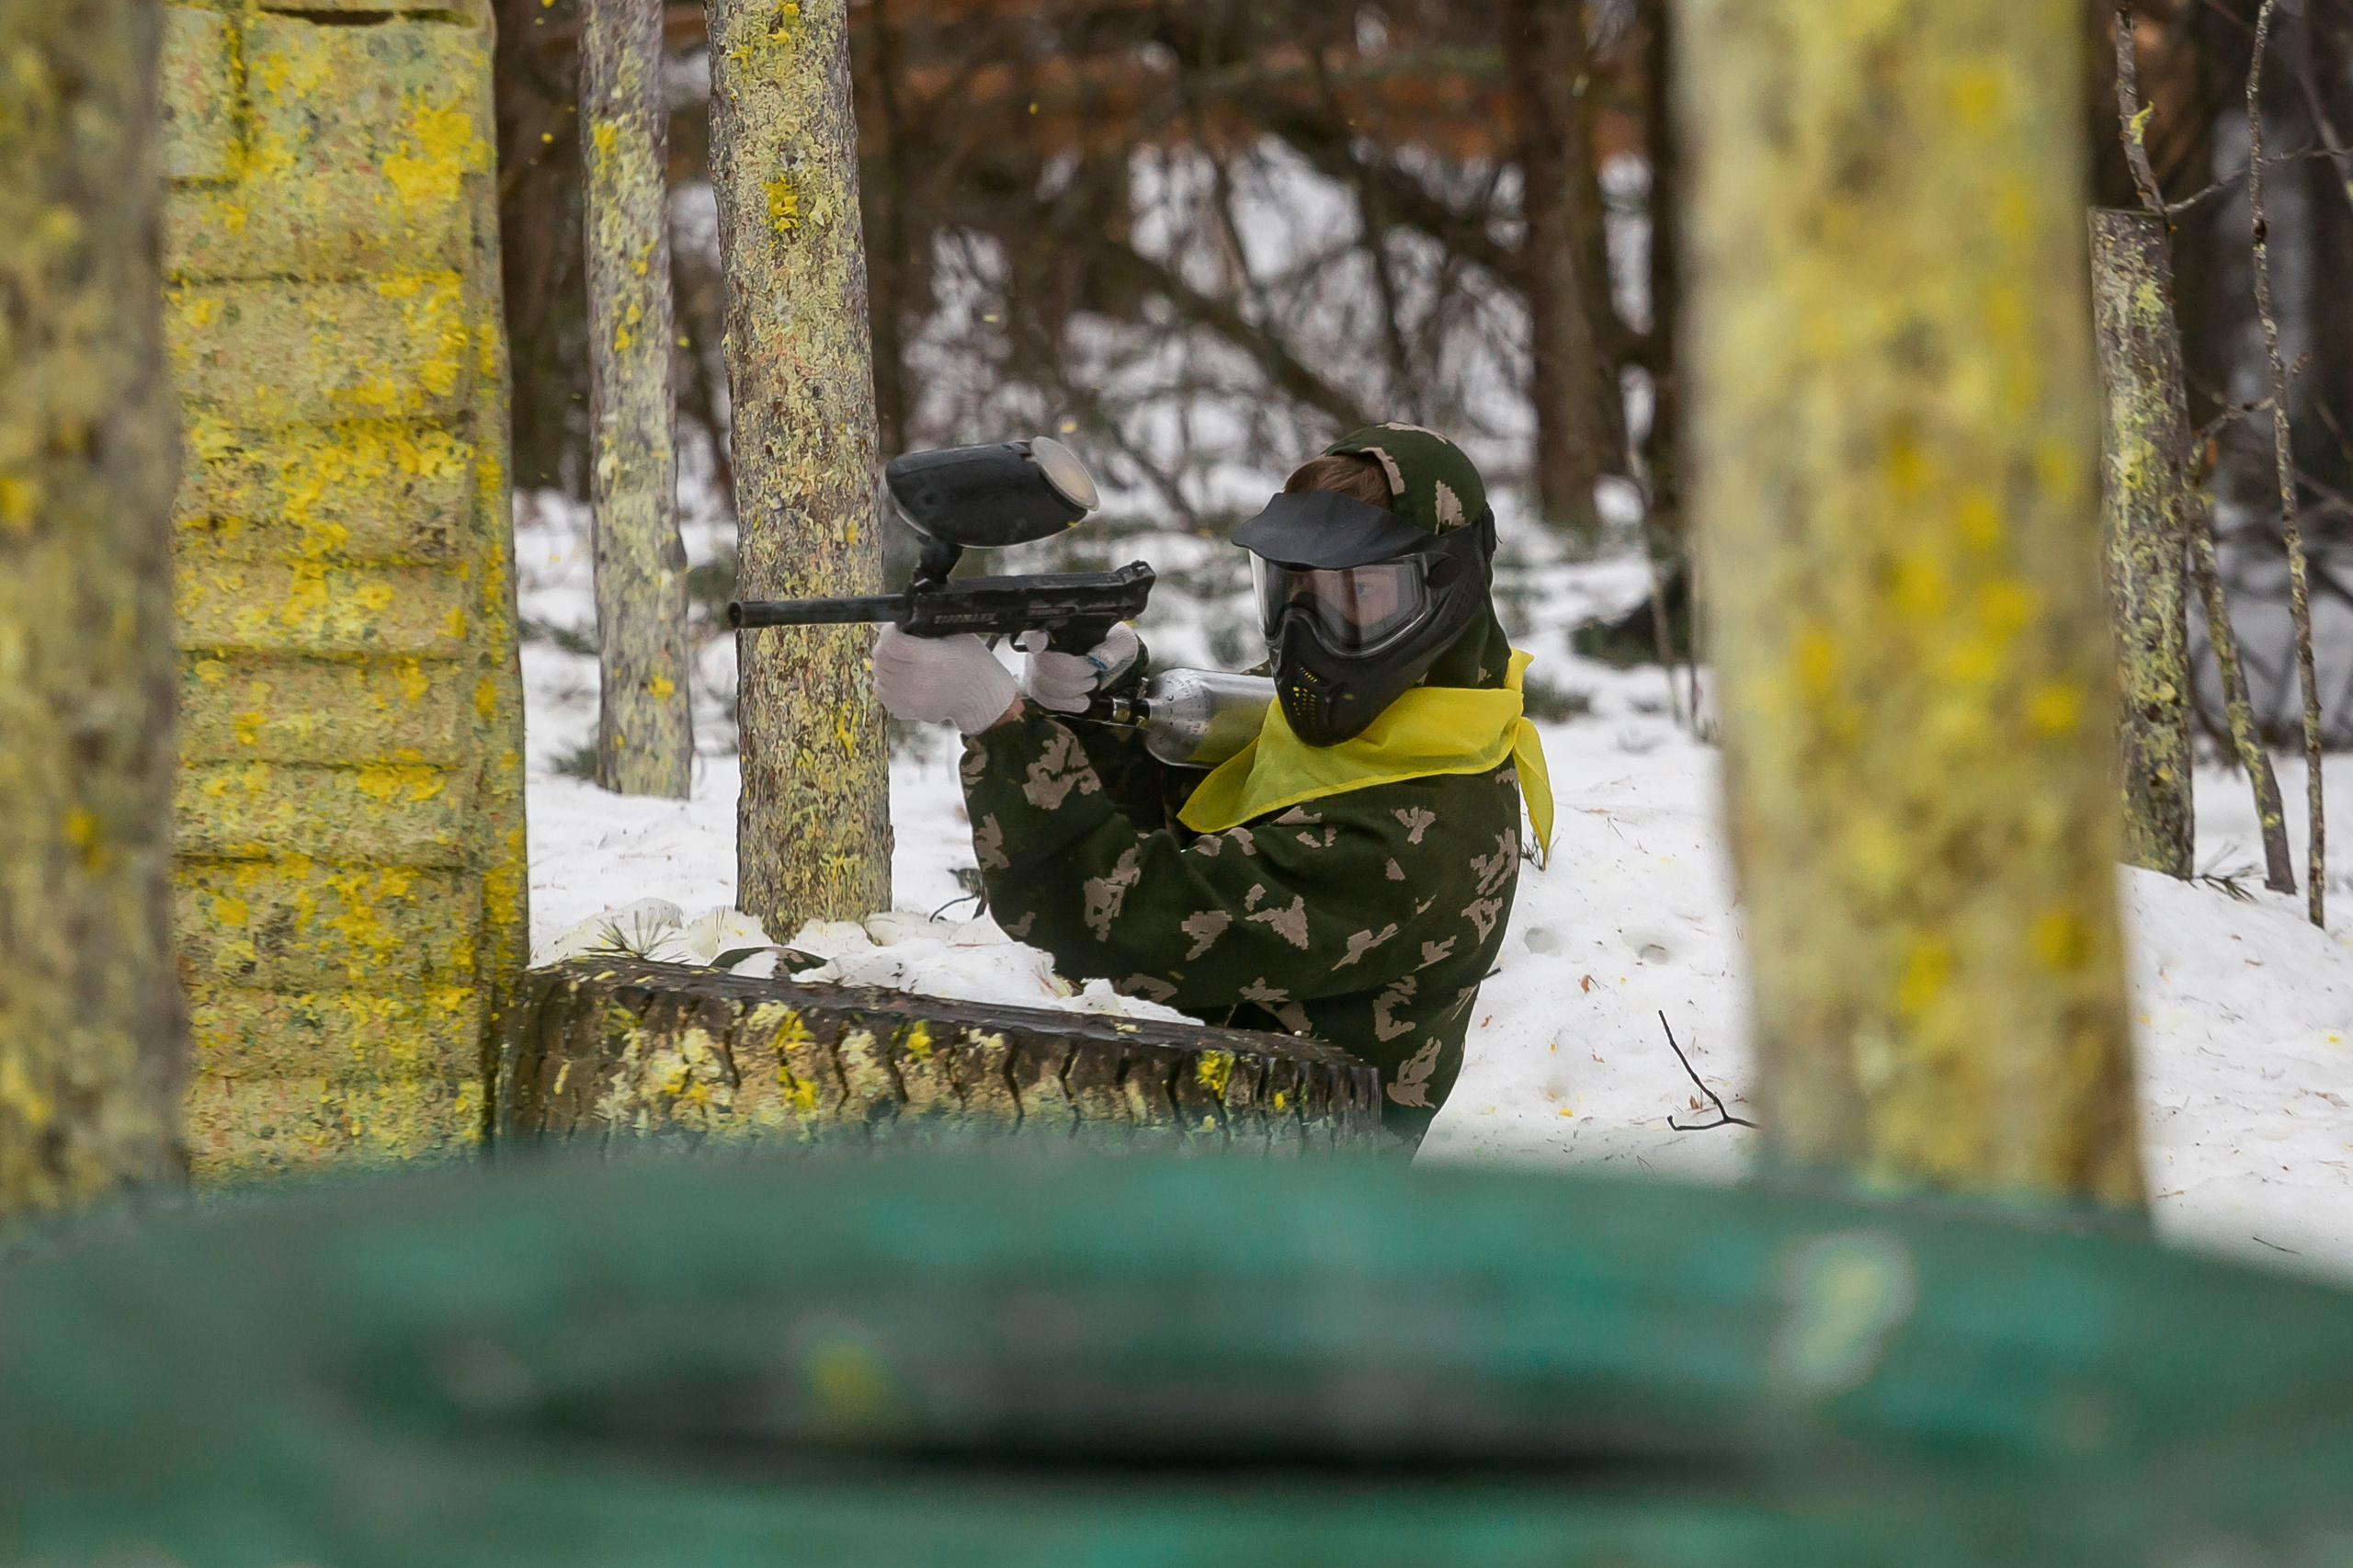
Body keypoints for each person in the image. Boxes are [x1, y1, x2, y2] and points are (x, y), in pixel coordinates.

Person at [870, 424, 1551, 1148]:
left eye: (1358, 595)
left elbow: (1117, 927)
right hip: (1188, 1119)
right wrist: (1096, 707)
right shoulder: (1389, 716)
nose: (1308, 628)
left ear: (1446, 588)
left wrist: (1000, 722)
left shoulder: (1421, 839)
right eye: (1292, 589)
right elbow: (1188, 823)